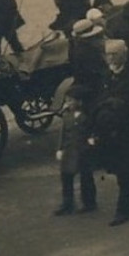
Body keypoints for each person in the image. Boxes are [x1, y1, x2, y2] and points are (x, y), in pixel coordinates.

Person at [93, 39, 129, 226]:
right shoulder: (106, 76)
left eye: (114, 54)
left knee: (125, 172)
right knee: (120, 169)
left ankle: (122, 211)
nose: (110, 58)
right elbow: (100, 99)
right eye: (108, 54)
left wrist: (122, 106)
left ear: (124, 55)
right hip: (110, 132)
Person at [51, 80, 97, 216]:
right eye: (67, 101)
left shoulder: (87, 117)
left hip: (83, 151)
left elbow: (93, 132)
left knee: (86, 178)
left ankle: (89, 202)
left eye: (71, 101)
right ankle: (67, 203)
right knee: (66, 177)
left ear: (80, 102)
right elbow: (63, 134)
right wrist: (60, 148)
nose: (68, 104)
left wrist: (92, 142)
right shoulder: (67, 116)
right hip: (69, 151)